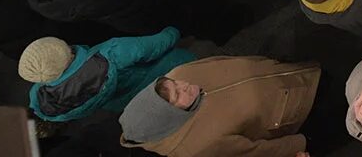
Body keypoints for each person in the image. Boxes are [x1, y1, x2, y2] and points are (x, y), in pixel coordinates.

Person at [117, 55, 321, 156]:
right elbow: (255, 152)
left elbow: (224, 60)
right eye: (177, 94)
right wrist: (300, 143)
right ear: (170, 119)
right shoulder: (198, 148)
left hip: (291, 72)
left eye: (175, 84)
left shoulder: (178, 73)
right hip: (306, 110)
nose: (184, 85)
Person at [20, 29, 193, 124]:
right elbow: (158, 44)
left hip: (123, 101)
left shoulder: (44, 103)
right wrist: (174, 30)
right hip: (161, 73)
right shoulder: (111, 52)